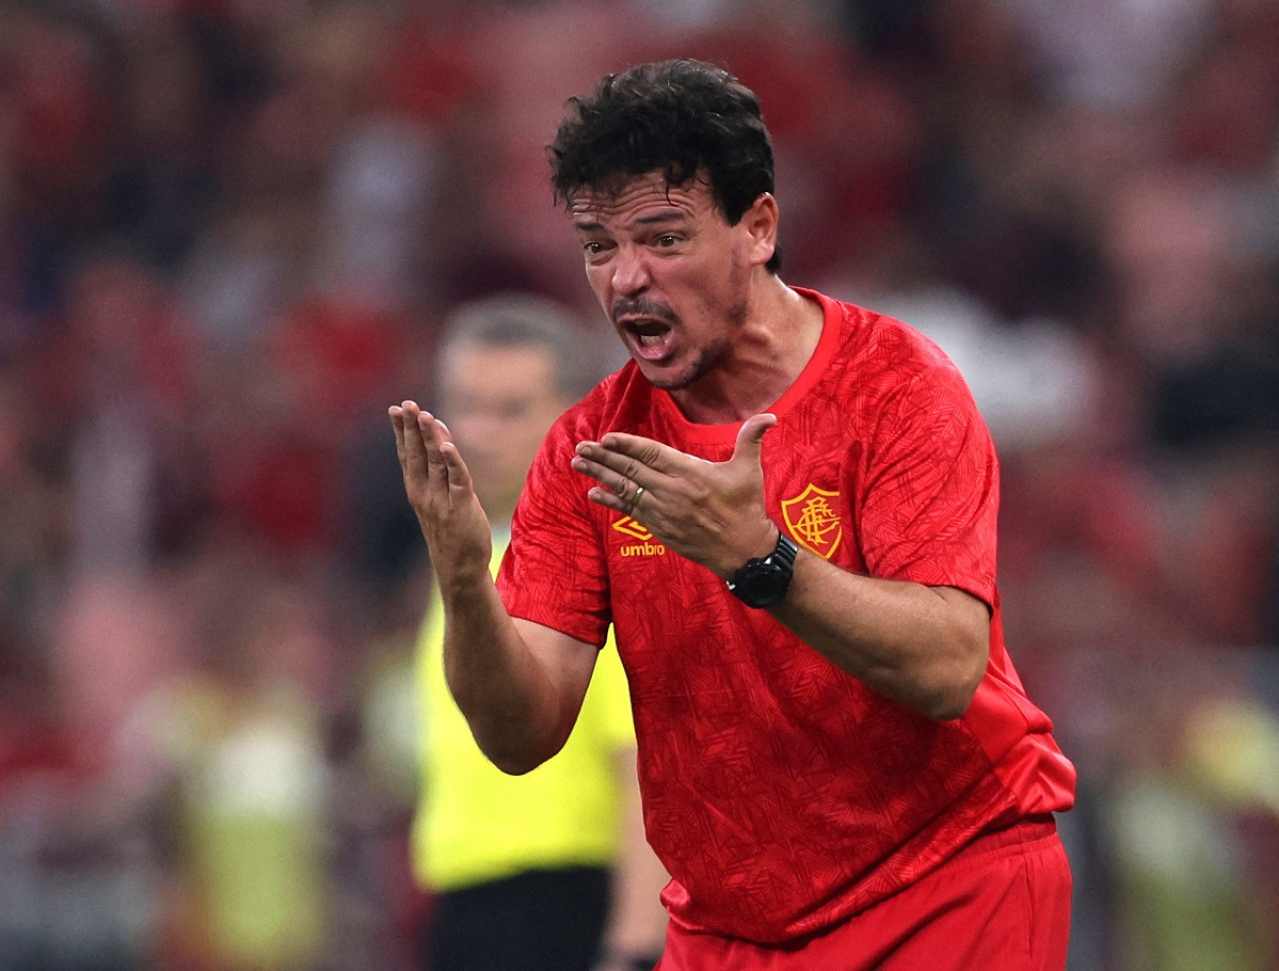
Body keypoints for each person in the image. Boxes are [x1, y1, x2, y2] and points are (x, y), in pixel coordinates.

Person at [390, 59, 1077, 970]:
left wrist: (761, 559)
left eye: (663, 238)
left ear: (757, 229)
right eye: (599, 245)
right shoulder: (588, 449)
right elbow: (522, 734)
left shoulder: (898, 386)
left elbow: (950, 664)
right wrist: (467, 578)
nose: (627, 279)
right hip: (732, 933)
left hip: (946, 882)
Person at [407, 293, 668, 971]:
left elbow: (645, 770)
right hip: (467, 910)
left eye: (511, 408)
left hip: (561, 906)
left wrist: (634, 948)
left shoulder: (593, 561)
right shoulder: (475, 555)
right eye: (464, 404)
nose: (480, 431)